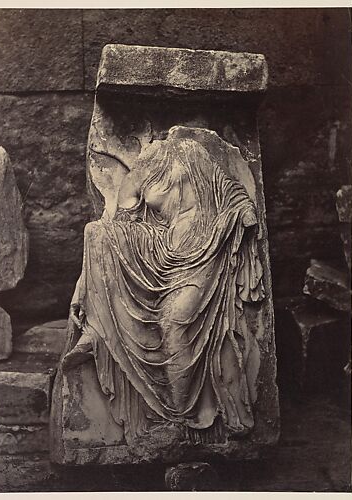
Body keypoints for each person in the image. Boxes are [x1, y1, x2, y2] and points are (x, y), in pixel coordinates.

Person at [61, 136, 264, 443]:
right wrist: (82, 289)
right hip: (161, 249)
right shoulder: (143, 169)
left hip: (203, 248)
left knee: (175, 323)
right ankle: (101, 329)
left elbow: (227, 187)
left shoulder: (187, 151)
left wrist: (240, 210)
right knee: (97, 233)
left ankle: (182, 416)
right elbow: (120, 214)